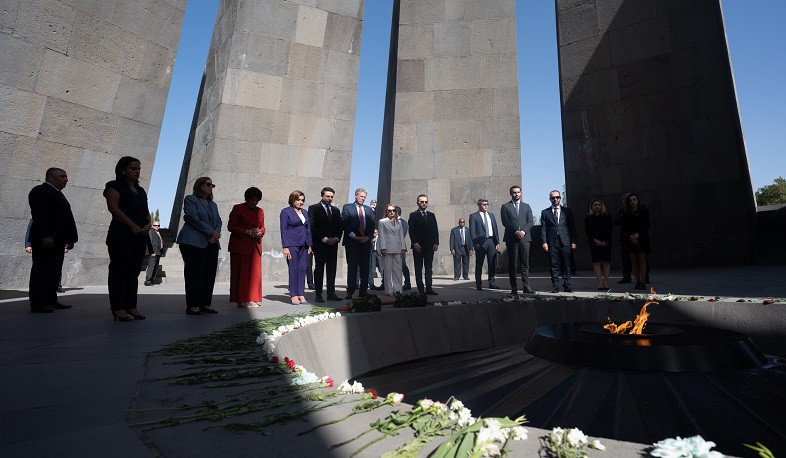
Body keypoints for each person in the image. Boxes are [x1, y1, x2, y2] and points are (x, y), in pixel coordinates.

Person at [103, 157, 151, 320]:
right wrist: (132, 225)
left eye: (138, 168)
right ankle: (118, 308)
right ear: (123, 170)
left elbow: (145, 211)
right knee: (119, 271)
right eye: (133, 168)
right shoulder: (114, 186)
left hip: (140, 236)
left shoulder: (141, 190)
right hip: (121, 234)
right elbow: (113, 208)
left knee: (133, 272)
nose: (137, 171)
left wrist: (148, 224)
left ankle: (131, 306)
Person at [27, 168, 78, 313]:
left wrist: (70, 238)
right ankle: (38, 303)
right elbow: (39, 215)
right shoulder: (40, 191)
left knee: (54, 271)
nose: (66, 179)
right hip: (46, 240)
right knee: (42, 271)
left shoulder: (58, 194)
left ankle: (51, 300)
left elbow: (65, 218)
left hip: (58, 241)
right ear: (51, 178)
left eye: (66, 176)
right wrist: (45, 235)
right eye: (62, 176)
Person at [177, 177, 222, 315]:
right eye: (208, 184)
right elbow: (192, 218)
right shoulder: (191, 199)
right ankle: (193, 305)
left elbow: (219, 221)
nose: (210, 187)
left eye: (212, 185)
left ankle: (205, 304)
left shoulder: (213, 204)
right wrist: (211, 233)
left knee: (209, 273)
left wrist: (215, 234)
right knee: (194, 274)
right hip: (193, 241)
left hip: (212, 242)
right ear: (199, 185)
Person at [227, 187, 265, 308]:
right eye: (252, 200)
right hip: (240, 244)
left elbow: (263, 227)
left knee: (254, 275)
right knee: (241, 273)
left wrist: (261, 231)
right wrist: (248, 232)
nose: (254, 203)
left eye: (256, 201)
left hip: (255, 246)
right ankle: (242, 299)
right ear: (246, 199)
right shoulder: (238, 208)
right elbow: (231, 226)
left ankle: (252, 298)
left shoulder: (260, 211)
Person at [307, 187, 343, 303]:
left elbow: (340, 226)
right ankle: (318, 294)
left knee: (332, 269)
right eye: (327, 196)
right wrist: (324, 239)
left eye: (332, 197)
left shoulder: (336, 211)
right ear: (322, 196)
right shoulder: (313, 208)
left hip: (333, 244)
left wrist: (336, 238)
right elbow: (313, 226)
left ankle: (331, 293)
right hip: (320, 244)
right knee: (319, 269)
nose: (330, 199)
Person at [540, 190, 577, 293]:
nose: (555, 199)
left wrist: (573, 241)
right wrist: (544, 242)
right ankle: (555, 286)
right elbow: (543, 228)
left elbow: (572, 227)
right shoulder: (545, 212)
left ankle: (567, 285)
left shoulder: (567, 211)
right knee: (553, 265)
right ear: (550, 199)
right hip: (552, 242)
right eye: (553, 198)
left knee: (566, 264)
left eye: (557, 197)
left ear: (560, 198)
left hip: (565, 241)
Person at [341, 188, 376, 299]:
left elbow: (372, 225)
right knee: (352, 267)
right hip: (352, 242)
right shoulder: (348, 207)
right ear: (356, 196)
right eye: (361, 196)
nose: (363, 199)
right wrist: (354, 237)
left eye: (365, 197)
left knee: (365, 267)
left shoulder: (369, 210)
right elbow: (345, 223)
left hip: (365, 243)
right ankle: (350, 290)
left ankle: (363, 291)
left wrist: (369, 237)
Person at [500, 185, 534, 295]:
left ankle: (526, 286)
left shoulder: (527, 206)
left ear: (521, 193)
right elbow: (505, 222)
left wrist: (523, 232)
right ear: (511, 194)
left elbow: (530, 221)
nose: (516, 194)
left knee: (525, 264)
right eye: (514, 192)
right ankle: (514, 287)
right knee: (512, 264)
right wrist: (516, 232)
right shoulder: (505, 206)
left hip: (525, 238)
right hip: (512, 239)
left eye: (518, 192)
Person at [280, 190, 312, 305]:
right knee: (293, 268)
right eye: (298, 200)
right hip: (292, 244)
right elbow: (283, 230)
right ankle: (293, 294)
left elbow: (308, 229)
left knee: (303, 268)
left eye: (302, 200)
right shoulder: (285, 212)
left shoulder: (305, 212)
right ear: (292, 199)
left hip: (304, 244)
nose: (300, 202)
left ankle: (301, 294)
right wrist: (285, 247)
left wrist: (310, 244)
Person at [408, 194, 439, 295]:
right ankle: (420, 289)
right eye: (422, 202)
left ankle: (429, 288)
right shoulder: (413, 215)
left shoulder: (431, 215)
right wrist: (415, 243)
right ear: (417, 203)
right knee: (418, 268)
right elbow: (411, 231)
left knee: (428, 268)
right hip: (418, 247)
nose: (424, 203)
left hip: (430, 246)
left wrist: (436, 243)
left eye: (426, 202)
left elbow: (435, 230)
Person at [620, 193, 651, 290]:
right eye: (631, 200)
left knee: (642, 260)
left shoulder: (643, 210)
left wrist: (638, 234)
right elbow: (624, 227)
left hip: (641, 238)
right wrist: (631, 236)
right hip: (630, 240)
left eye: (634, 200)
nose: (633, 202)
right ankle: (638, 281)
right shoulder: (625, 213)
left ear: (637, 200)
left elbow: (647, 225)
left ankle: (642, 281)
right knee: (634, 261)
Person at [468, 198, 500, 291]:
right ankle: (478, 284)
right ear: (479, 205)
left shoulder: (491, 215)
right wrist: (475, 243)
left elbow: (495, 229)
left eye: (487, 204)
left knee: (492, 263)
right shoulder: (474, 216)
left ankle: (492, 283)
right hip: (480, 243)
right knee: (479, 264)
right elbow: (472, 231)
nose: (486, 206)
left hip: (491, 241)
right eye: (484, 204)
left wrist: (497, 242)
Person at [377, 203, 407, 295]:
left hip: (397, 248)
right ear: (386, 212)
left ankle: (398, 290)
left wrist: (403, 248)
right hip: (387, 248)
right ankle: (389, 290)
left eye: (393, 210)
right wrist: (382, 248)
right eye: (389, 210)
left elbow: (401, 235)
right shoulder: (382, 221)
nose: (391, 212)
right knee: (387, 270)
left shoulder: (399, 222)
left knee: (398, 270)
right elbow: (381, 236)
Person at [585, 199, 613, 289]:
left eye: (598, 205)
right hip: (594, 242)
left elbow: (610, 229)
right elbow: (587, 231)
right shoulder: (588, 217)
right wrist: (595, 240)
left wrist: (605, 241)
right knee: (596, 262)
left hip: (606, 242)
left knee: (606, 261)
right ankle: (600, 283)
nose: (597, 206)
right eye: (595, 205)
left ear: (601, 206)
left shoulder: (607, 216)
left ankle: (606, 283)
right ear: (592, 207)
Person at [614, 192, 632, 284]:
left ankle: (644, 277)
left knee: (639, 258)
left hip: (636, 237)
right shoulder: (621, 211)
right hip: (625, 237)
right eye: (623, 199)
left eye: (627, 199)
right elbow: (616, 221)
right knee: (625, 258)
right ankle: (626, 277)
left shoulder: (639, 209)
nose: (625, 201)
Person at [144, 221, 163, 286]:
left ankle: (152, 280)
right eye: (155, 225)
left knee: (155, 267)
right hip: (153, 252)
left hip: (158, 252)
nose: (157, 226)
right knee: (151, 267)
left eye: (158, 225)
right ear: (152, 225)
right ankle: (148, 281)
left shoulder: (157, 232)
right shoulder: (151, 231)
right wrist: (151, 252)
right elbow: (150, 242)